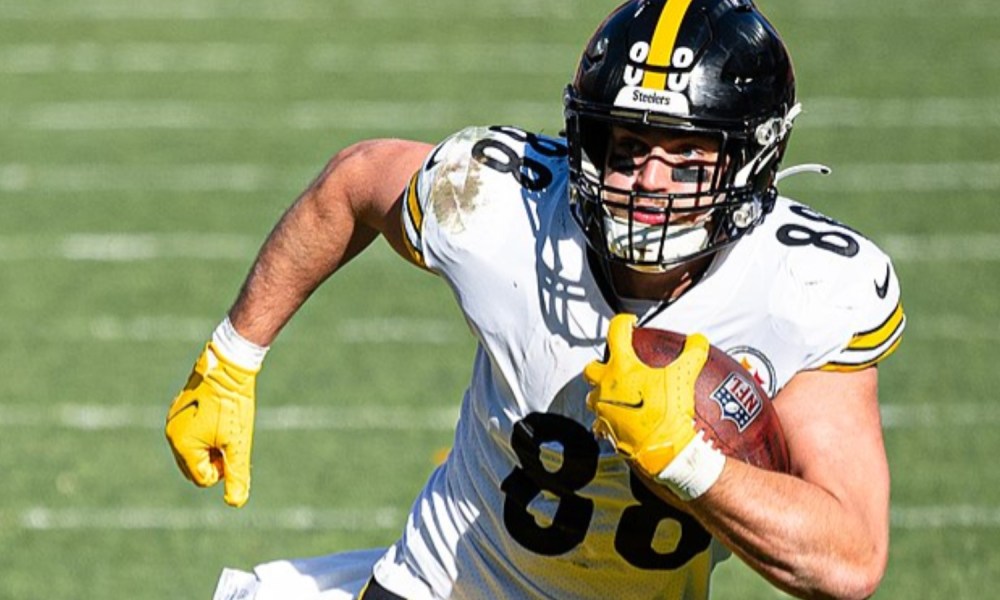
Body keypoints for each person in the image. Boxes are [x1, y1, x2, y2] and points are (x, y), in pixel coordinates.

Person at [165, 0, 905, 598]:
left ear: (752, 161)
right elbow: (354, 181)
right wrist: (233, 358)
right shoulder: (501, 207)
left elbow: (849, 557)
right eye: (628, 146)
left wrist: (686, 460)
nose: (650, 182)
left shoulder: (803, 290)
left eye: (687, 156)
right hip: (443, 583)